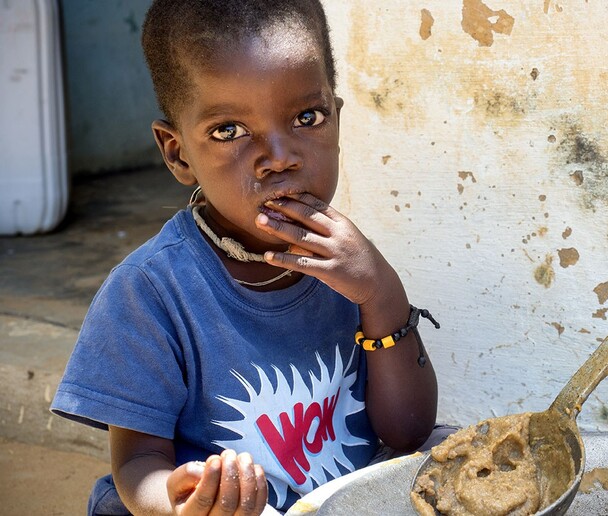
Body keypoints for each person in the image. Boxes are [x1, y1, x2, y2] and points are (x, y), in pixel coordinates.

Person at [51, 1, 449, 514]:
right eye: (229, 131)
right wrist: (174, 502)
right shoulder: (151, 292)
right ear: (177, 152)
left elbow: (407, 430)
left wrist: (382, 293)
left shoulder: (348, 267)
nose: (280, 156)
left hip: (336, 500)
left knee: (447, 453)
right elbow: (137, 463)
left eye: (307, 117)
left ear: (337, 118)